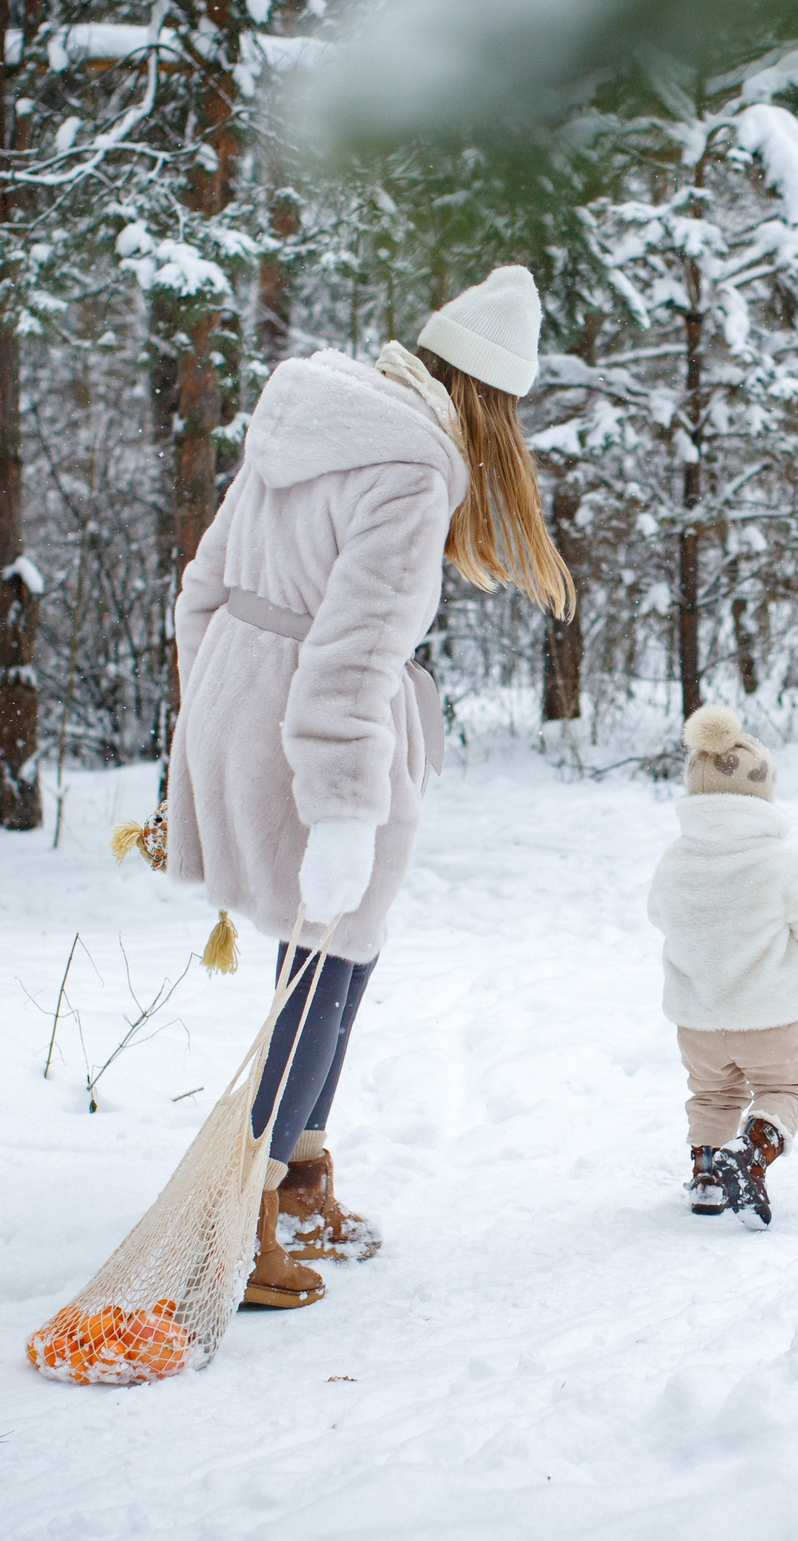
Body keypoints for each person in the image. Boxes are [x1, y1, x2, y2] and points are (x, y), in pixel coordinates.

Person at [164, 265, 573, 1309]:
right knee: (326, 967)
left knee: (333, 953)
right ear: (487, 399)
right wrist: (343, 802)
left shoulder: (306, 418)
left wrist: (208, 719)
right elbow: (350, 655)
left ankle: (300, 1180)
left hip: (242, 711)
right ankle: (245, 1219)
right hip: (323, 732)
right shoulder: (411, 467)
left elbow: (200, 594)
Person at [647, 704, 798, 1231]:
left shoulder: (676, 857)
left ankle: (708, 1176)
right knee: (788, 1092)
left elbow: (657, 915)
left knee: (713, 1094)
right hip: (767, 1015)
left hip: (697, 1018)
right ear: (762, 792)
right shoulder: (782, 861)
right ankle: (751, 1154)